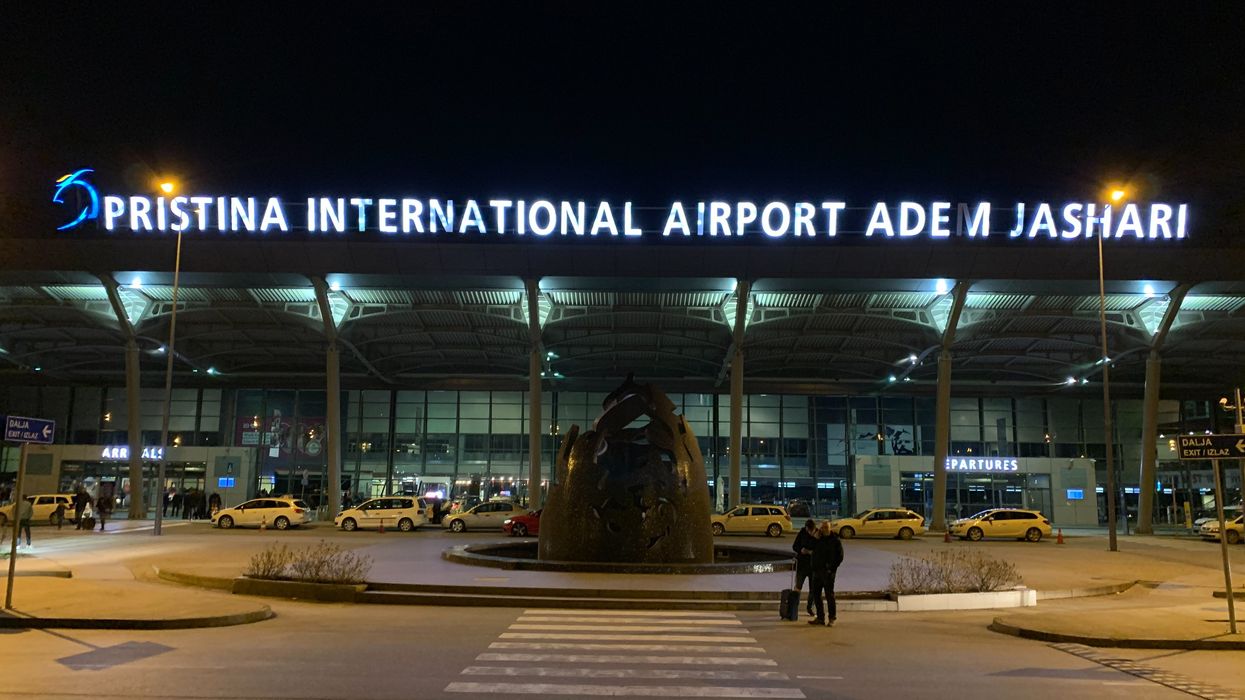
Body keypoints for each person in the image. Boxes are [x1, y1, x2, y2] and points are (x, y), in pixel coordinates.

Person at [809, 520, 844, 627]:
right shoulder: (819, 539)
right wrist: (815, 537)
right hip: (817, 571)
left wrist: (831, 568)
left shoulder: (835, 540)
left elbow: (840, 557)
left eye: (826, 527)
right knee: (816, 595)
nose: (824, 529)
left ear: (830, 528)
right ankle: (820, 617)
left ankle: (832, 618)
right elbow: (810, 547)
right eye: (822, 527)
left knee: (829, 595)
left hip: (828, 573)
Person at [792, 518, 818, 618]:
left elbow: (820, 549)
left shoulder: (818, 535)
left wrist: (812, 552)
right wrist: (801, 550)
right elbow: (795, 546)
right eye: (808, 530)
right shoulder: (802, 532)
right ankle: (794, 607)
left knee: (813, 588)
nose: (810, 532)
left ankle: (810, 608)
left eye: (811, 530)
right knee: (798, 586)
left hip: (813, 566)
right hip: (802, 565)